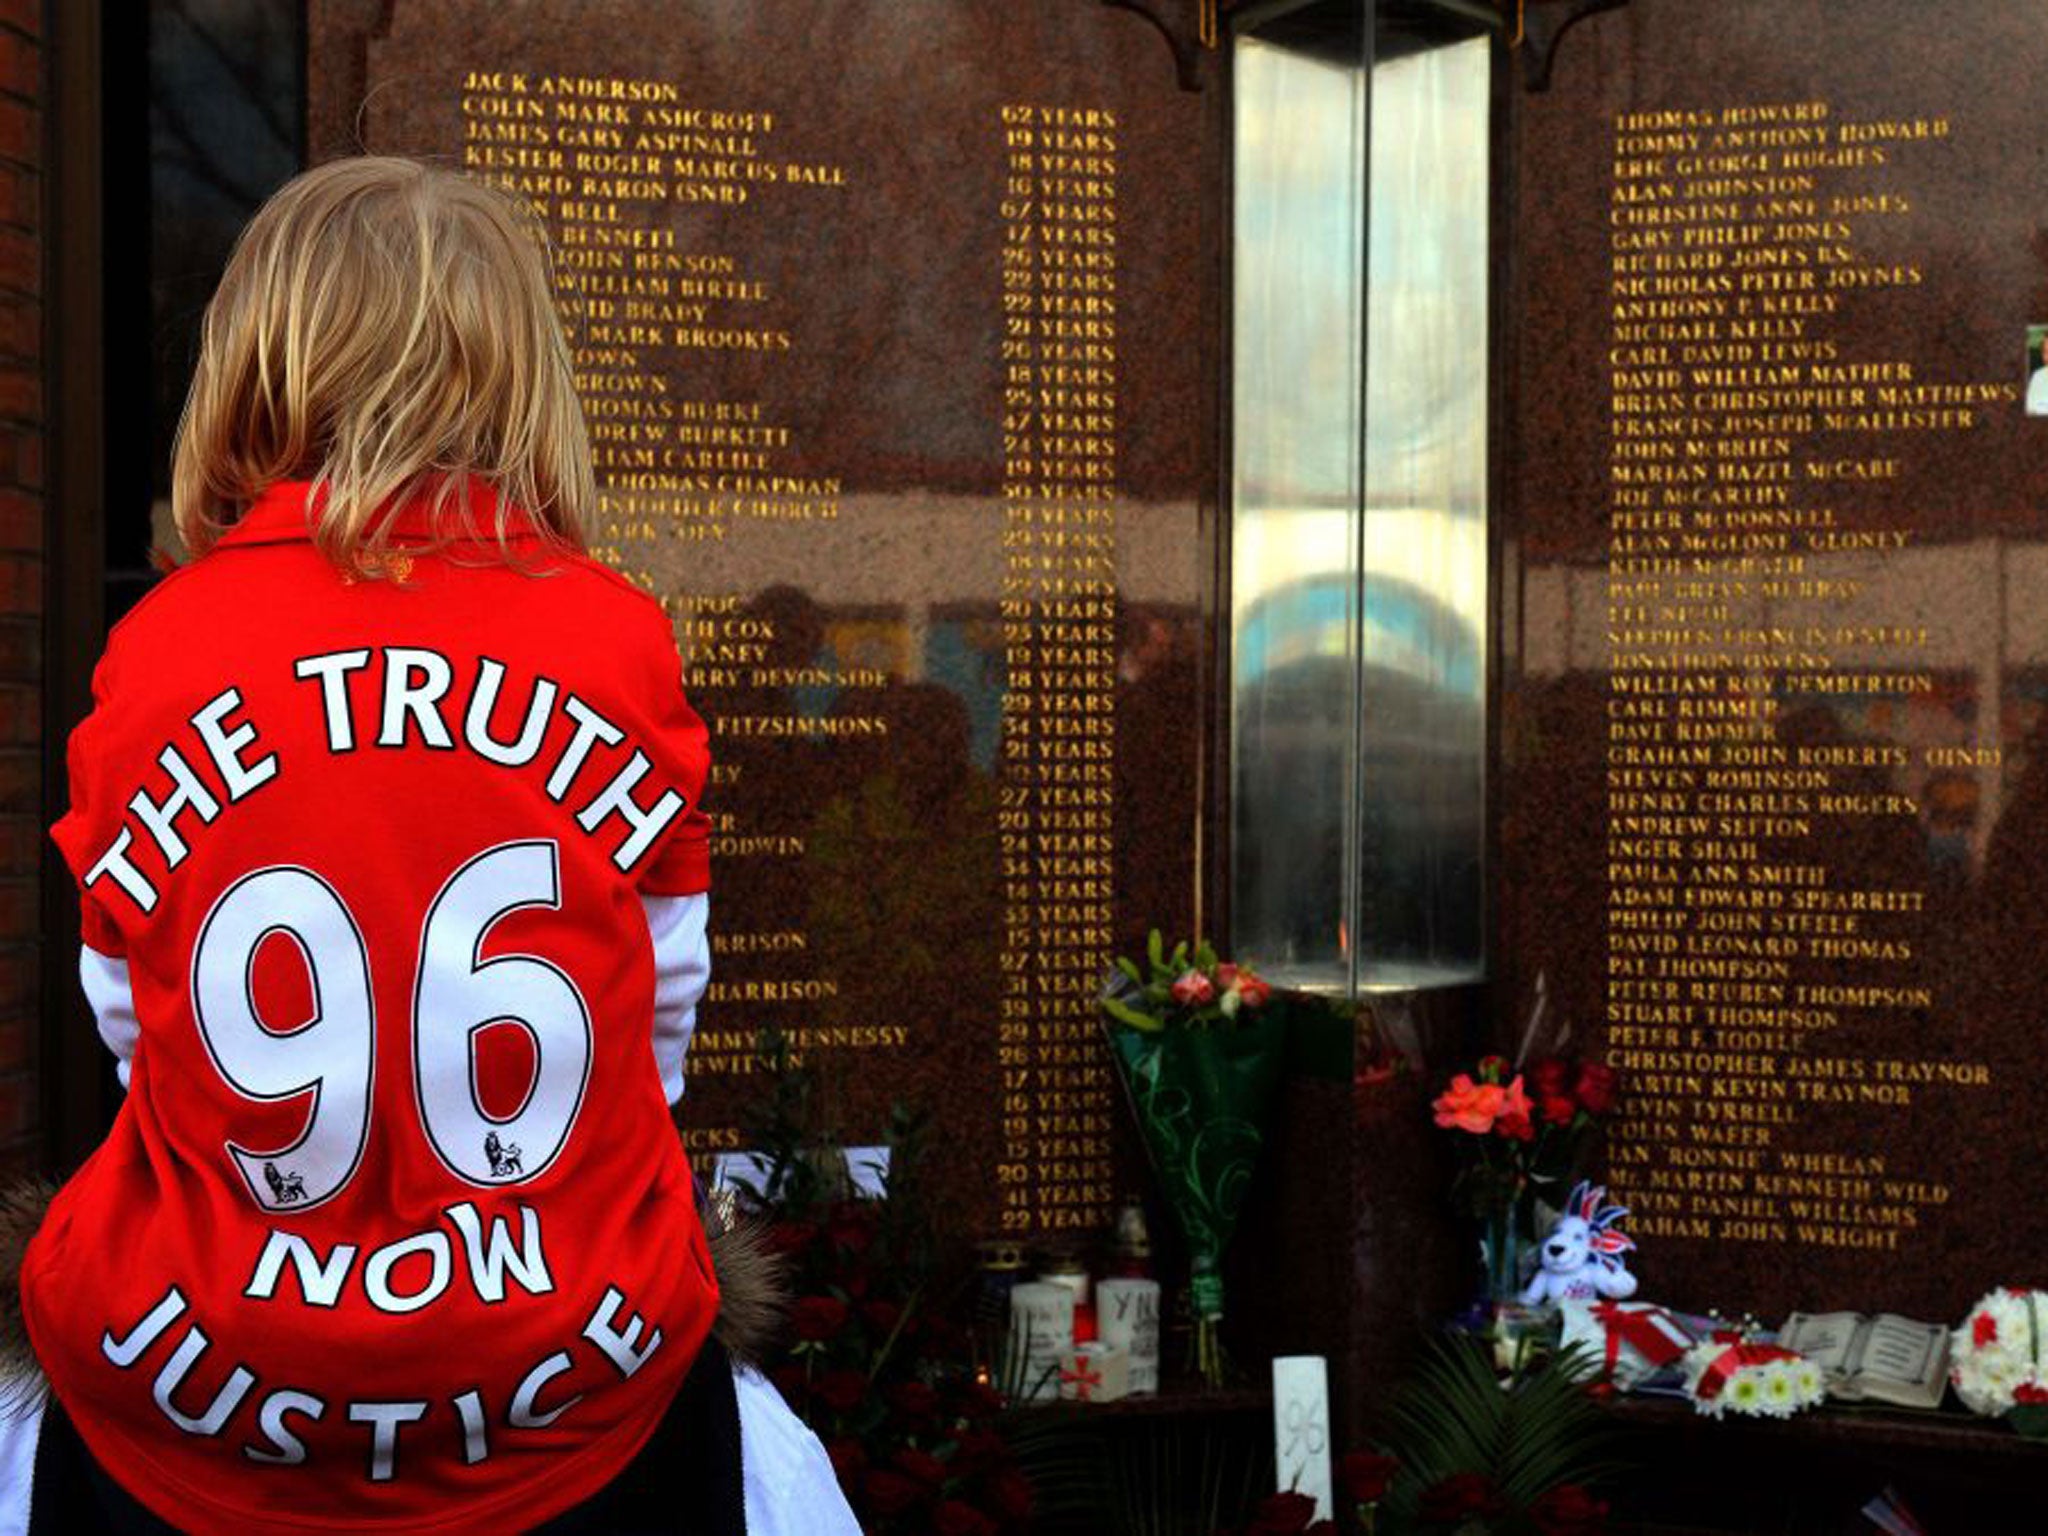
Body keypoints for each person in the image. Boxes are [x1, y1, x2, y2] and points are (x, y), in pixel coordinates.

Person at [0, 158, 857, 1533]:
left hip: (187, 1390)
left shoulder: (155, 651)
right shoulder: (616, 639)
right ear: (525, 376)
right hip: (576, 1392)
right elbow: (653, 1024)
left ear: (252, 362)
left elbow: (139, 1030)